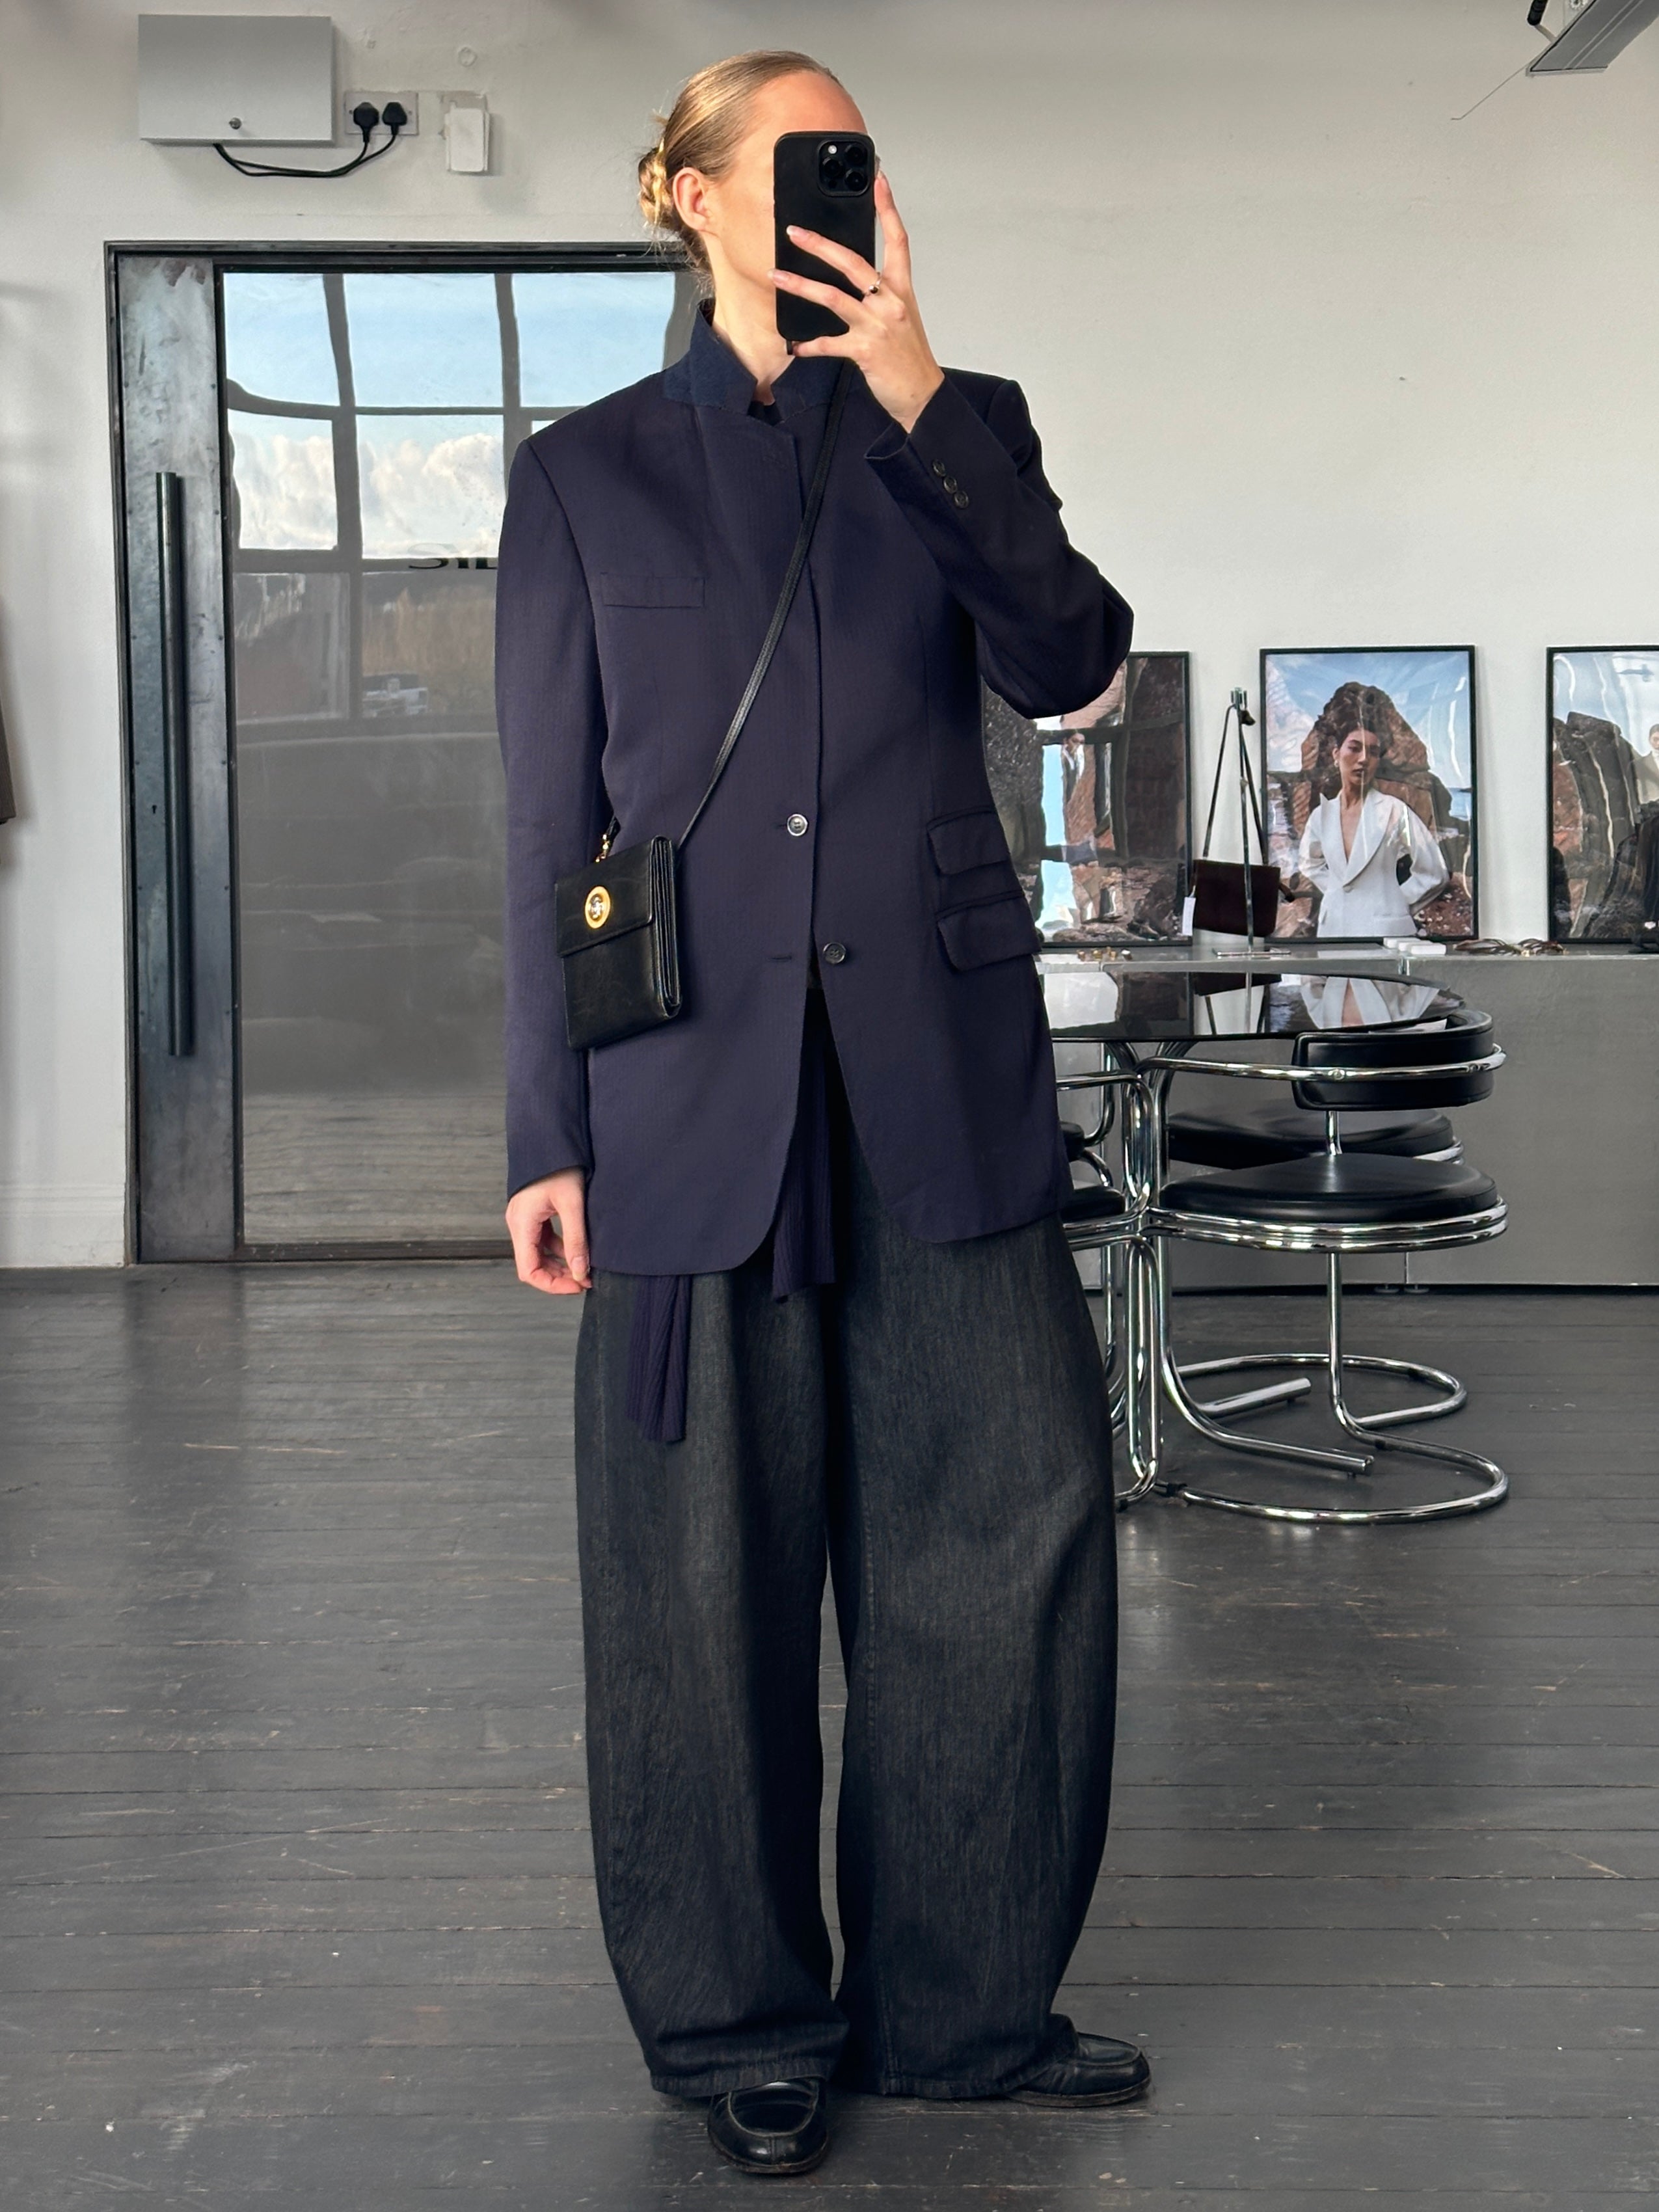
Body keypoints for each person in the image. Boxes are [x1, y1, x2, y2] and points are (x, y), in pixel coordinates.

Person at [494, 47, 1145, 2181]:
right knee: (695, 1586)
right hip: (689, 1100)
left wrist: (923, 395)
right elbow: (545, 839)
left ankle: (962, 2011)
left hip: (938, 1080)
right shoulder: (583, 477)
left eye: (853, 166)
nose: (831, 199)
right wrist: (543, 1131)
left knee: (1007, 1543)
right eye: (792, 164)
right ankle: (740, 2022)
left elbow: (1071, 667)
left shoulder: (961, 429)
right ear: (687, 195)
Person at [1297, 723, 1448, 939]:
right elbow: (1309, 863)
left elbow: (1433, 871)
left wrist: (1395, 902)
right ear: (1336, 754)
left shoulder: (1394, 810)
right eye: (1354, 748)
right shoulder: (1322, 816)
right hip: (1334, 928)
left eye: (1374, 753)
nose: (1364, 759)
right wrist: (1336, 891)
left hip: (1384, 931)